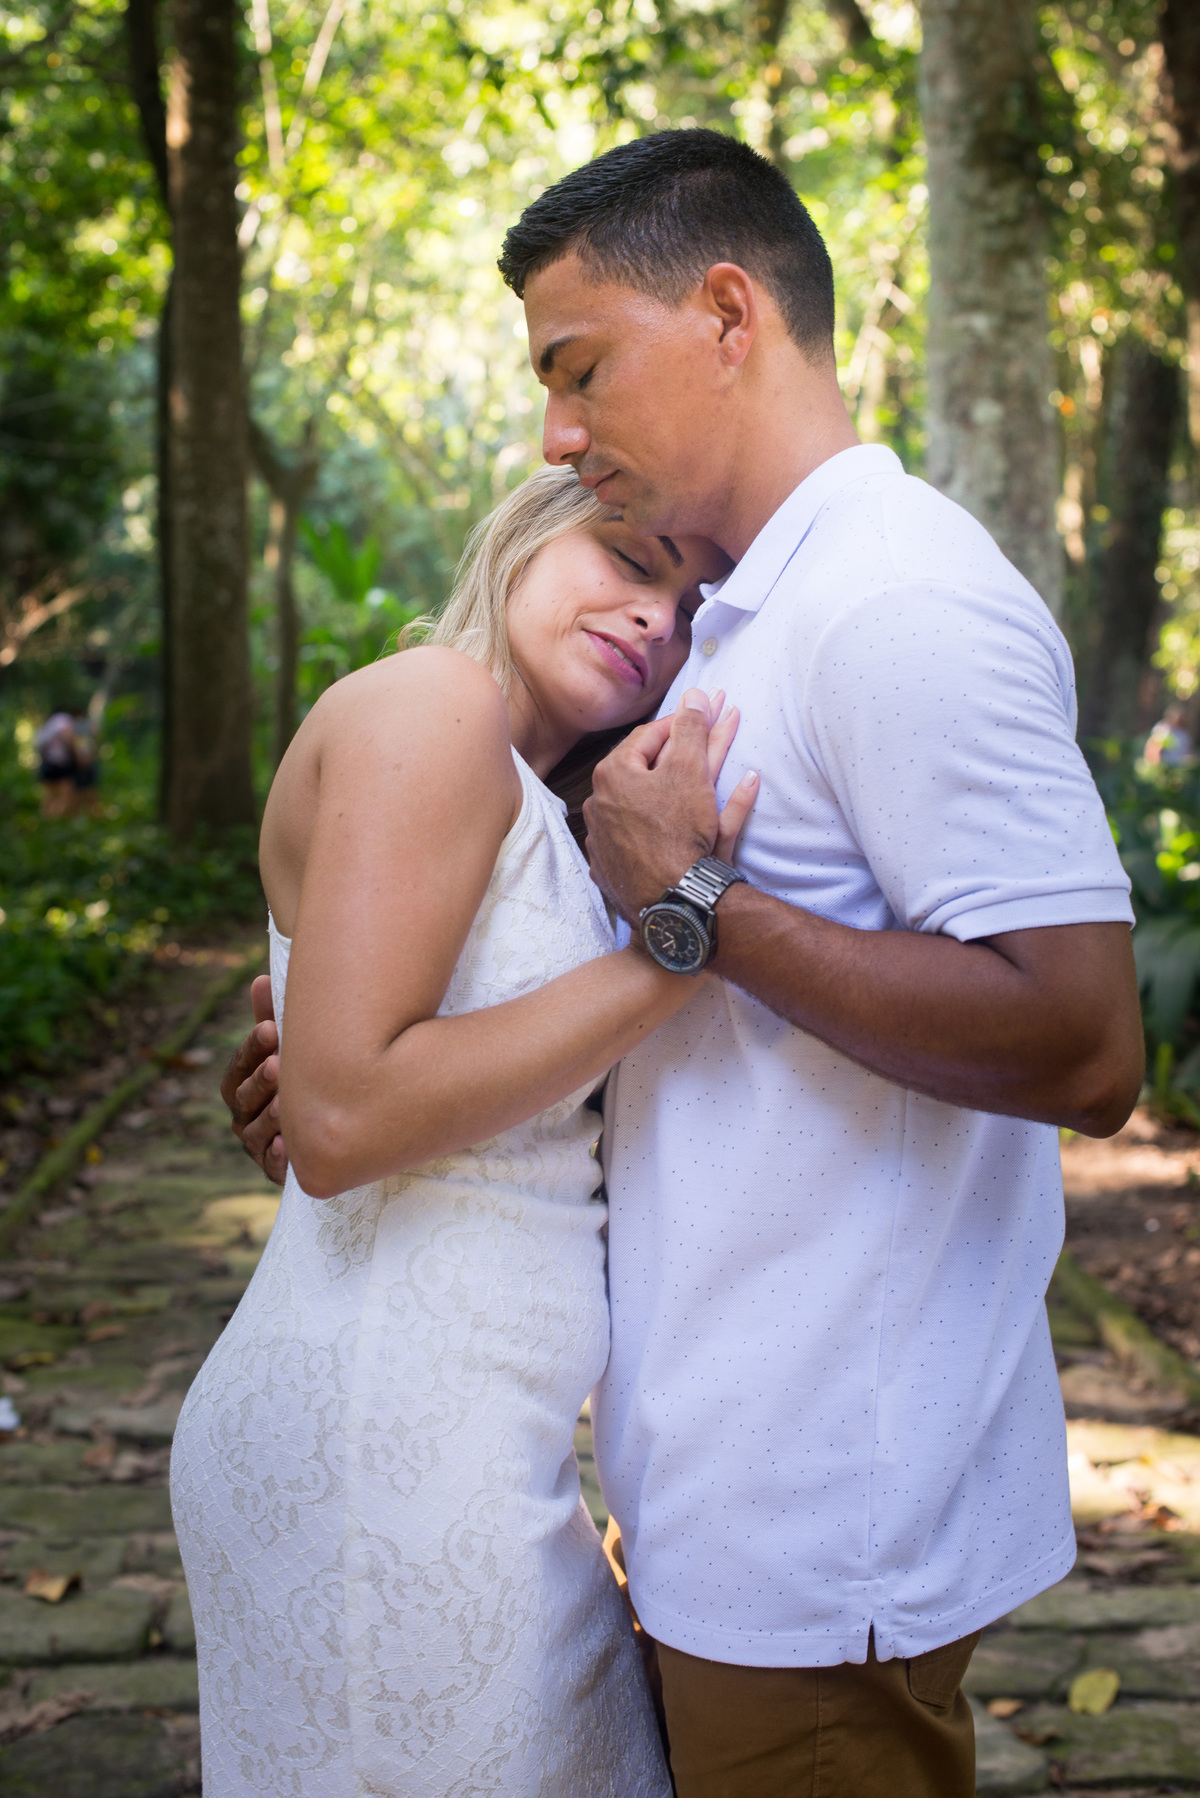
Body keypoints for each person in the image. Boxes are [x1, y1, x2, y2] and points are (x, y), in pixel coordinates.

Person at [226, 130, 1144, 1797]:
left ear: (730, 313)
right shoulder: (737, 622)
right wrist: (354, 1047)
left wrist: (696, 916)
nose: (557, 435)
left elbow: (1086, 1044)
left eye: (580, 369)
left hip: (820, 1511)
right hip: (687, 1491)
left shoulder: (897, 598)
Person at [171, 463, 756, 1798]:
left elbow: (364, 1085)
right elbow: (344, 1117)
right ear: (522, 535)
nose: (654, 618)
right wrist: (684, 936)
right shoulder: (433, 703)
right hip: (383, 1450)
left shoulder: (540, 802)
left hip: (468, 1443)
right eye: (631, 559)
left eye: (690, 611)